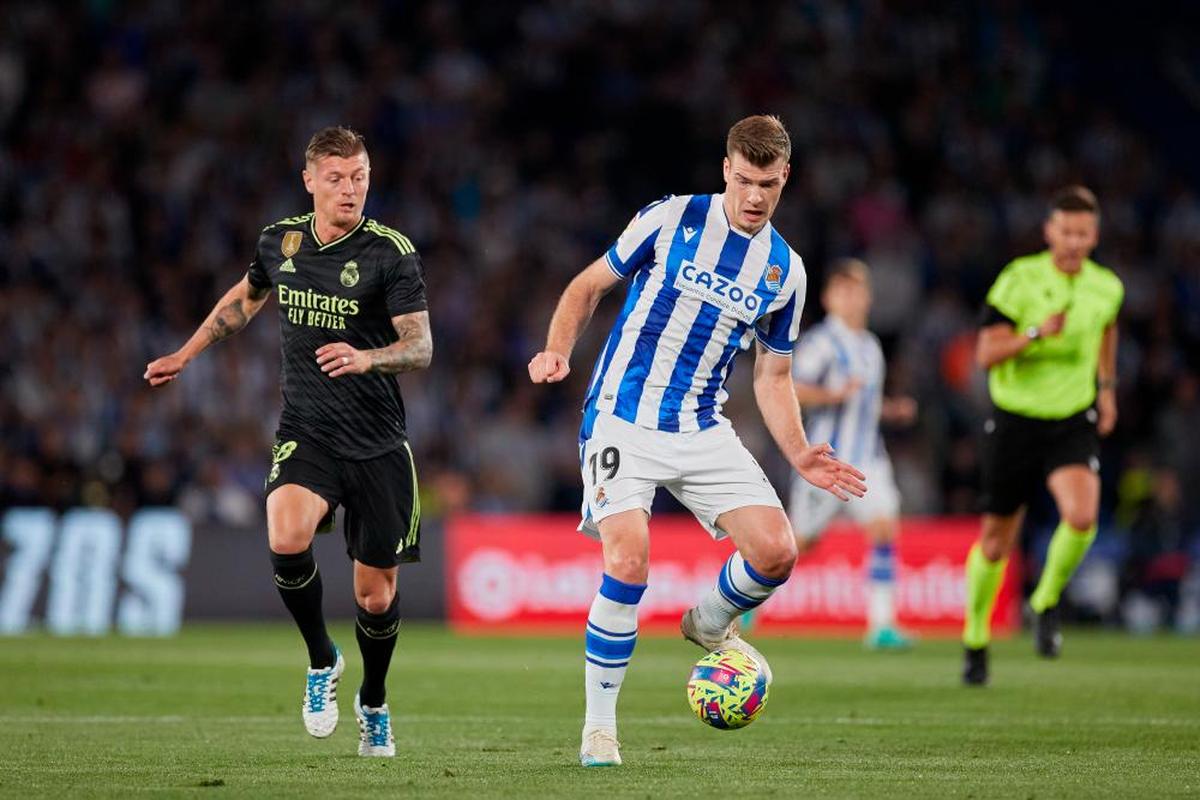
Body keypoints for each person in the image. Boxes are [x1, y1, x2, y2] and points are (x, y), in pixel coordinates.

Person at [528, 115, 866, 767]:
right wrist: (556, 349)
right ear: (725, 170)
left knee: (777, 553)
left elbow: (774, 373)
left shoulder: (785, 272)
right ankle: (600, 729)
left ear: (784, 177)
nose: (753, 197)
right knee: (627, 562)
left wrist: (799, 452)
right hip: (622, 417)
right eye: (742, 180)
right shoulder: (671, 219)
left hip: (701, 425)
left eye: (767, 184)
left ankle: (709, 621)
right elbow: (587, 285)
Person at [144, 127, 432, 755]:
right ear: (310, 181)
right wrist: (186, 353)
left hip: (379, 443)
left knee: (374, 595)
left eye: (359, 176)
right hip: (309, 430)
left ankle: (374, 701)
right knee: (285, 533)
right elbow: (244, 302)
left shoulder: (392, 253)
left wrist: (367, 358)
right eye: (336, 178)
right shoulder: (282, 241)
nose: (350, 189)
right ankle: (321, 659)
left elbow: (420, 346)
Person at [962, 185, 1122, 686]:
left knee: (1082, 514)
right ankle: (975, 635)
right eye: (1065, 231)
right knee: (995, 542)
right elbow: (985, 353)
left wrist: (1108, 388)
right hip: (1015, 419)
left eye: (1082, 233)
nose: (1073, 241)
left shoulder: (1107, 287)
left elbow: (1108, 329)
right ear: (1049, 231)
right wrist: (1035, 336)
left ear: (1094, 235)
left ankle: (1045, 600)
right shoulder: (1019, 280)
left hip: (1071, 418)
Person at [786, 258, 917, 649]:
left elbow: (865, 402)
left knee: (883, 528)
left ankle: (881, 627)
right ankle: (745, 595)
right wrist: (832, 395)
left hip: (869, 459)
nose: (851, 297)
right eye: (843, 290)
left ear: (868, 297)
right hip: (827, 460)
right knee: (796, 546)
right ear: (828, 298)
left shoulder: (871, 346)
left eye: (857, 289)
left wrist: (890, 409)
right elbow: (793, 389)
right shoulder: (822, 342)